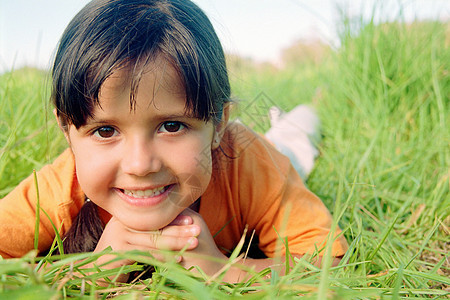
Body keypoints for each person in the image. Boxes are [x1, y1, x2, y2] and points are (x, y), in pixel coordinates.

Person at [0, 0, 347, 282]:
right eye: (106, 131)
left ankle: (303, 113)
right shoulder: (61, 187)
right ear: (68, 131)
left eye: (171, 126)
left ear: (217, 123)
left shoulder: (252, 163)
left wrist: (224, 270)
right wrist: (87, 272)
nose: (139, 165)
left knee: (297, 134)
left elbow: (326, 259)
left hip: (267, 154)